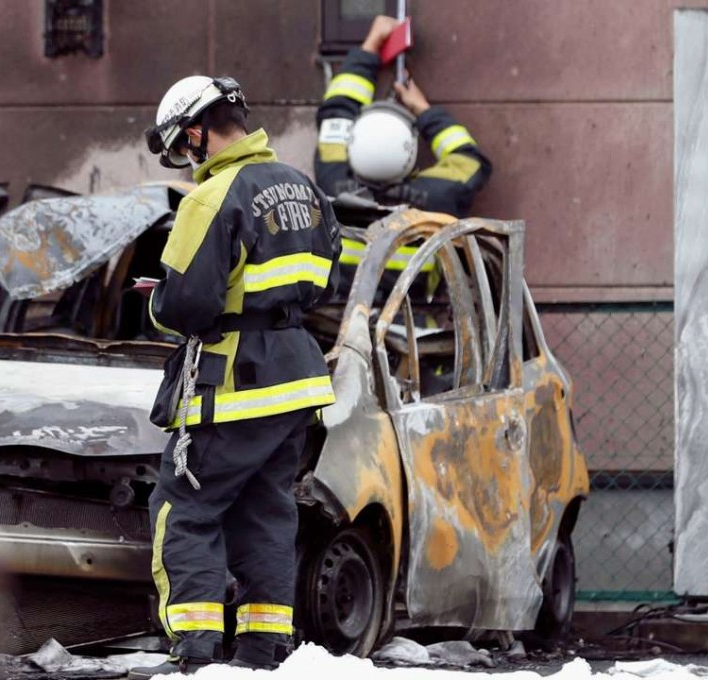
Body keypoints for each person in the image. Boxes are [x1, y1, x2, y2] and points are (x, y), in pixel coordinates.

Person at [129, 75, 341, 677]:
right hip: (295, 379)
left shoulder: (210, 197)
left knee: (184, 509)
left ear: (197, 132)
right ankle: (258, 654)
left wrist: (157, 298)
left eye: (182, 145)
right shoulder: (305, 189)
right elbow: (326, 284)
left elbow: (188, 307)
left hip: (233, 384)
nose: (186, 158)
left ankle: (195, 655)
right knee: (266, 514)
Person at [315, 15, 492, 219]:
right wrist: (422, 109)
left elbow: (337, 112)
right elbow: (469, 161)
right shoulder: (436, 199)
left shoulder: (332, 185)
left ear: (352, 144)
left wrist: (371, 44)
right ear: (410, 151)